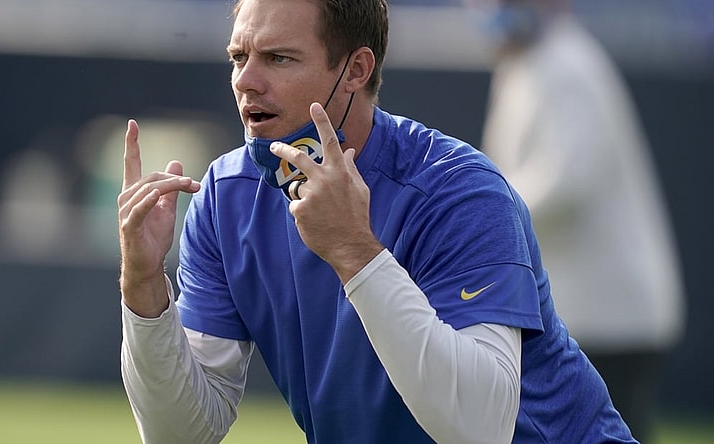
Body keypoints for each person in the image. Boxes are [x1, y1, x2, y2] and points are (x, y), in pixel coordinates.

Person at [117, 0, 636, 442]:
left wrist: (355, 252)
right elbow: (182, 432)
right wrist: (143, 290)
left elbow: (480, 427)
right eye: (238, 56)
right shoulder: (224, 197)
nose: (246, 81)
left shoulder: (461, 190)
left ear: (356, 70)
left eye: (278, 57)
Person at [476, 1, 686, 442]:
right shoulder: (525, 65)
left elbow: (567, 184)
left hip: (611, 318)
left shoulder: (568, 64)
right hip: (587, 314)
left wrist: (480, 210)